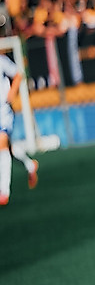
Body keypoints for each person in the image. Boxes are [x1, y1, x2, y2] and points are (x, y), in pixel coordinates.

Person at [1, 51, 38, 205]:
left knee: (2, 145)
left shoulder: (1, 61)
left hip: (3, 111)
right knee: (7, 149)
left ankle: (3, 191)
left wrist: (11, 93)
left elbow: (17, 73)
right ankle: (30, 165)